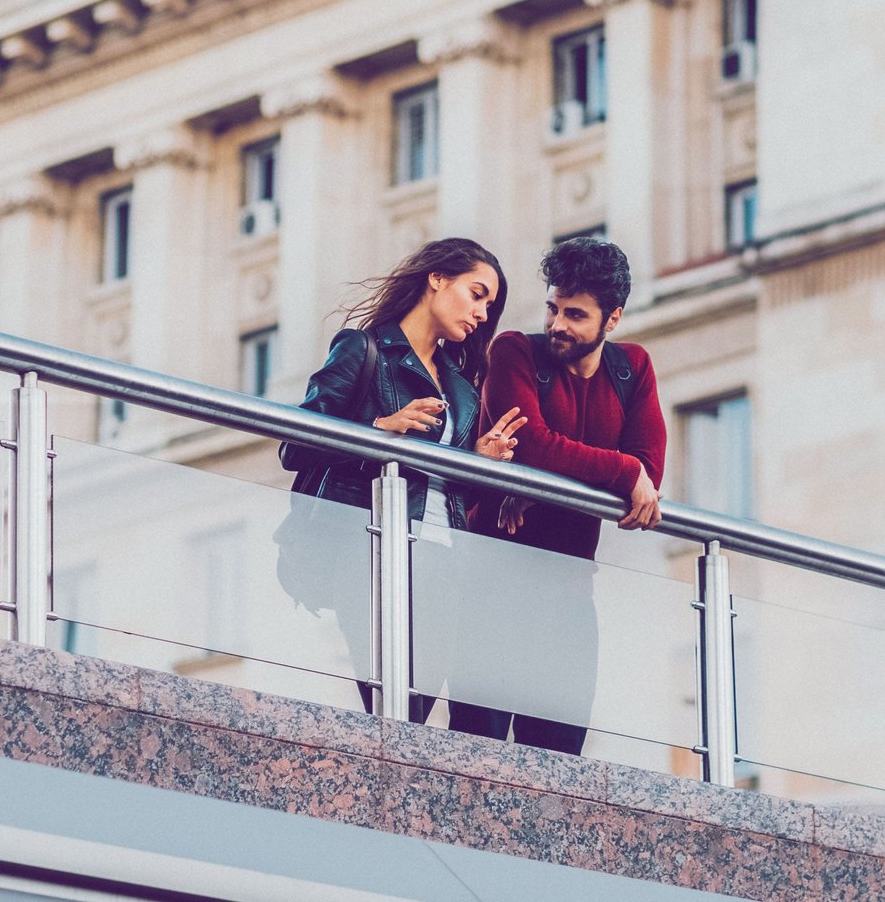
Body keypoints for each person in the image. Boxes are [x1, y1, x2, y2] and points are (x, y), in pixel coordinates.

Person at [277, 237, 527, 718]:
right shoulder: (363, 349)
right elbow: (295, 444)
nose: (481, 314)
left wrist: (480, 460)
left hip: (445, 559)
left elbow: (447, 490)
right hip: (371, 550)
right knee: (389, 702)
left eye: (489, 306)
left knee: (415, 708)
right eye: (477, 294)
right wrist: (379, 430)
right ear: (437, 278)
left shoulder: (460, 387)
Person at [454, 237, 667, 754]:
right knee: (475, 757)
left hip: (570, 594)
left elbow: (650, 473)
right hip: (491, 583)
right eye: (552, 307)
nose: (557, 325)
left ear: (611, 319)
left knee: (558, 767)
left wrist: (549, 484)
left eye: (575, 314)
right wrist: (618, 470)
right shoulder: (515, 351)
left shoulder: (630, 369)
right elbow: (534, 444)